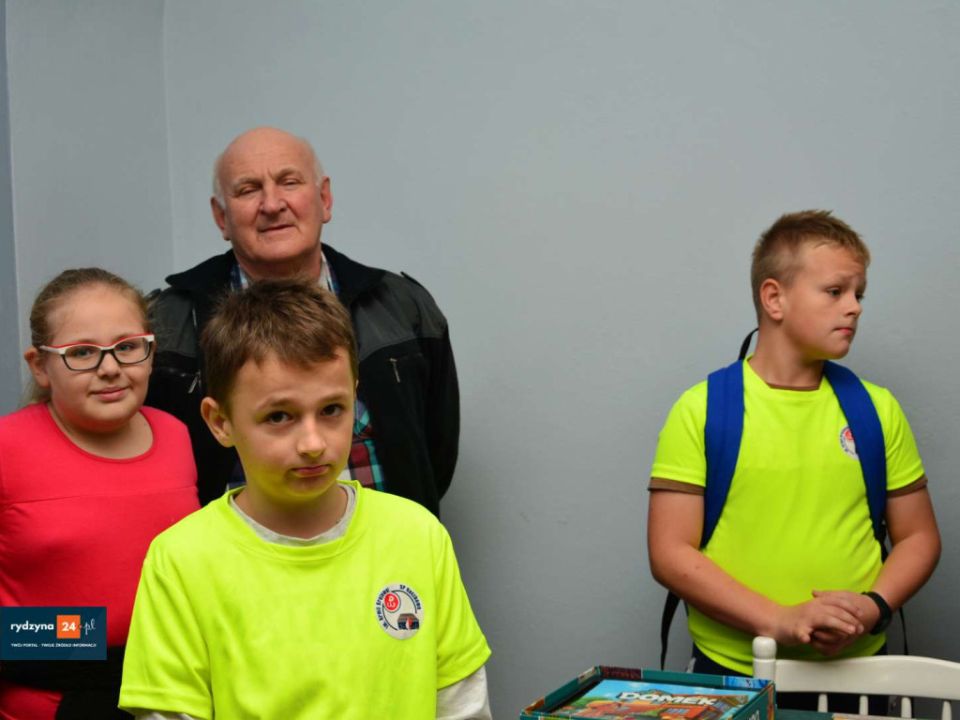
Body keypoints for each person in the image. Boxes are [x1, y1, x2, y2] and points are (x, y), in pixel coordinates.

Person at [119, 281, 491, 720]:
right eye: (279, 416)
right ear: (220, 422)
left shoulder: (419, 535)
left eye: (332, 410)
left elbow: (461, 706)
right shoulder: (181, 560)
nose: (313, 444)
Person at [647, 211, 940, 705]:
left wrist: (873, 607)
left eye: (859, 294)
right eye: (835, 291)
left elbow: (919, 536)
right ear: (774, 298)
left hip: (861, 675)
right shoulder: (702, 409)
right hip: (735, 673)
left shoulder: (877, 409)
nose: (854, 307)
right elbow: (670, 552)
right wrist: (778, 619)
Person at [146, 127, 458, 515]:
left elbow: (435, 452)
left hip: (388, 548)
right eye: (248, 190)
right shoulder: (168, 322)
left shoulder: (402, 306)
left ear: (324, 198)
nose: (272, 204)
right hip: (232, 552)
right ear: (221, 217)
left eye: (289, 182)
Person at [0, 268, 199, 719]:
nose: (110, 368)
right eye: (82, 353)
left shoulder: (176, 436)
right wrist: (93, 639)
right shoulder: (8, 447)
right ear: (40, 366)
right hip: (48, 705)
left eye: (127, 347)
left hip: (168, 699)